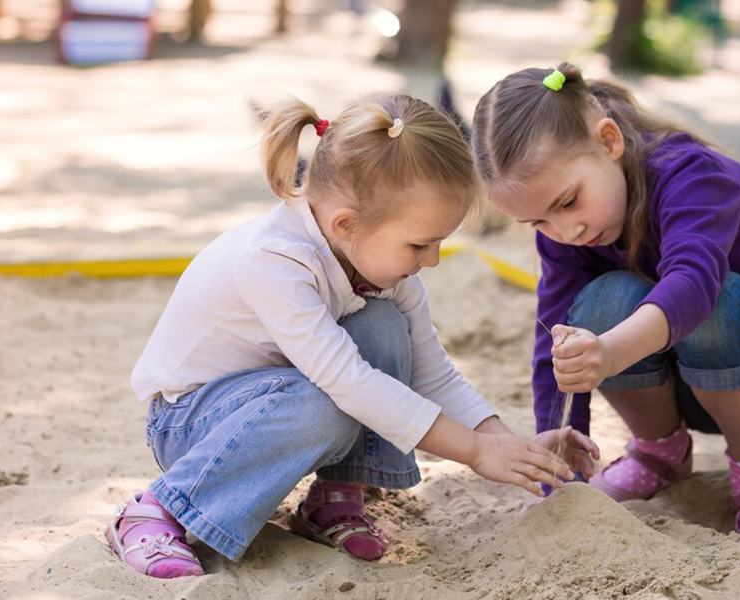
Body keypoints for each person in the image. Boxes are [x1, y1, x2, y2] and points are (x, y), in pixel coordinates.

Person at [109, 93, 599, 578]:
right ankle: (158, 508)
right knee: (327, 405)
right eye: (420, 244)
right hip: (193, 426)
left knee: (382, 327)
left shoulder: (384, 267)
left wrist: (506, 445)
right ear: (346, 223)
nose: (431, 259)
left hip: (277, 404)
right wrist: (472, 451)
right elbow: (349, 383)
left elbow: (432, 372)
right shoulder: (274, 262)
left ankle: (337, 495)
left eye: (439, 243)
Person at [470, 64, 740, 533]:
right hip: (690, 383)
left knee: (716, 301)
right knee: (601, 301)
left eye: (567, 202)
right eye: (538, 222)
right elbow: (555, 338)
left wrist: (608, 352)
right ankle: (659, 452)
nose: (566, 230)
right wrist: (559, 472)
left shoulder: (692, 176)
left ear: (609, 141)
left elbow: (693, 284)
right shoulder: (566, 235)